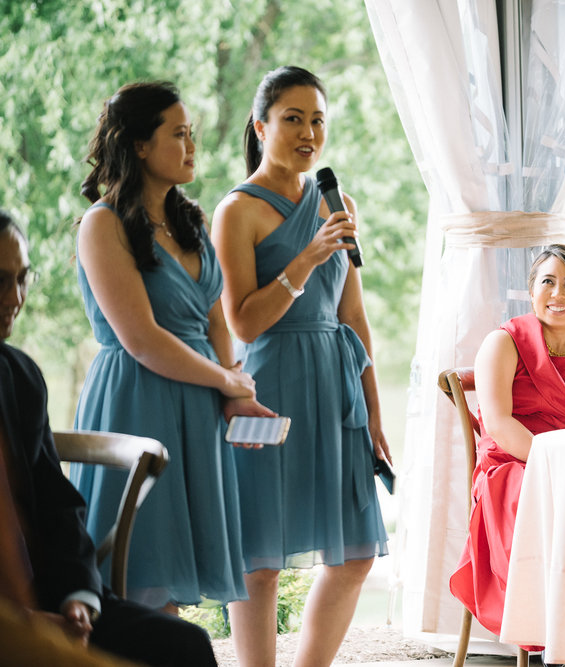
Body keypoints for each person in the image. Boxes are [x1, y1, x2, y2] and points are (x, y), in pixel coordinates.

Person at [210, 65, 389, 666]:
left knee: (355, 554)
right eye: (293, 118)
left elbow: (355, 316)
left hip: (336, 384)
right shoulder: (236, 211)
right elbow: (242, 323)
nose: (308, 132)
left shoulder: (339, 203)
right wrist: (308, 257)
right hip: (266, 386)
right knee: (258, 557)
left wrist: (375, 413)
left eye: (317, 120)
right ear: (261, 126)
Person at [70, 81, 272, 611]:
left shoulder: (189, 221)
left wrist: (236, 392)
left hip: (198, 403)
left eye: (192, 134)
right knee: (139, 575)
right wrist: (226, 379)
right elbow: (141, 339)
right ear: (139, 145)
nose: (191, 146)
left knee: (176, 582)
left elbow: (214, 320)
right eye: (178, 134)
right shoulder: (102, 225)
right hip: (136, 398)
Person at [0, 212, 217, 665]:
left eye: (22, 279)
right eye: (0, 281)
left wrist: (77, 599)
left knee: (186, 647)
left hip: (51, 594)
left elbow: (57, 505)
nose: (14, 298)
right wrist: (23, 622)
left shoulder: (19, 377)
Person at [449, 244, 565, 644]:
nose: (558, 294)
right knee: (544, 496)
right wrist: (554, 467)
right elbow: (499, 423)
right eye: (548, 281)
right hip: (512, 468)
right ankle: (560, 638)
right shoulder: (503, 342)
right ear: (532, 290)